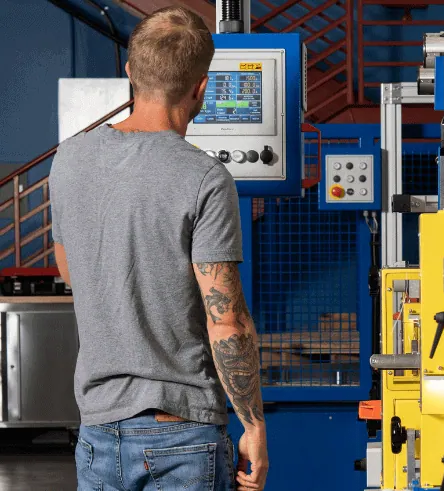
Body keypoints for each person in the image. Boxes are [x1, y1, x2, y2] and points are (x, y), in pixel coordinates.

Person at [49, 6, 268, 491]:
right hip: (182, 433)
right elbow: (225, 320)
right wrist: (253, 423)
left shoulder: (69, 158)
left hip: (97, 431)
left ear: (130, 73)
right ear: (202, 88)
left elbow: (71, 269)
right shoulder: (205, 178)